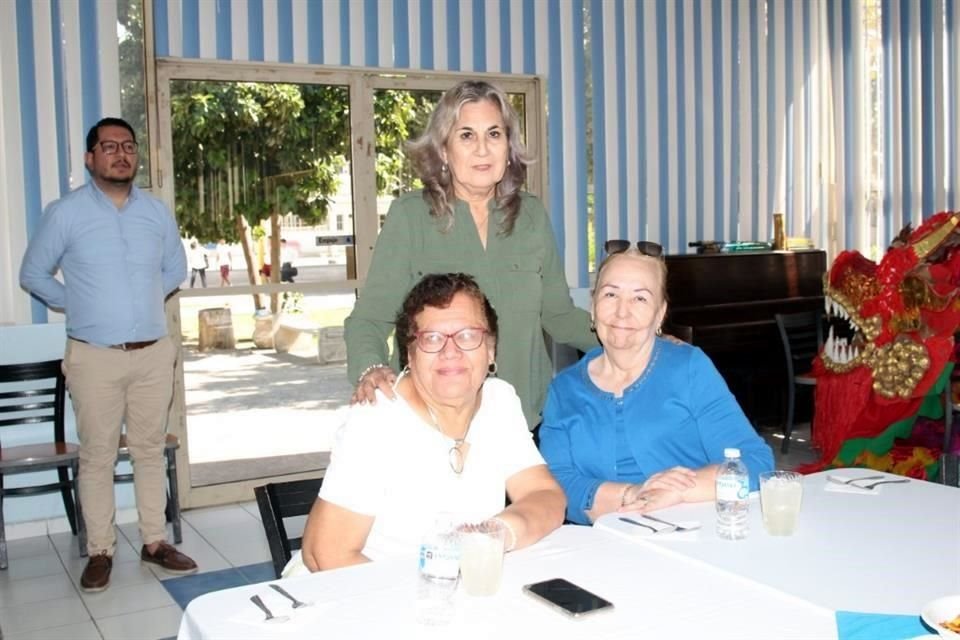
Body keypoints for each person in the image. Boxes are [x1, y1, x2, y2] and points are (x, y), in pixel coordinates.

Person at [346, 80, 596, 429]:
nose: (482, 149)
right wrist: (371, 367)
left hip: (522, 424)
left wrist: (636, 339)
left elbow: (559, 316)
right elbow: (369, 320)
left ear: (508, 146)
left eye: (494, 134)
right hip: (432, 425)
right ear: (444, 150)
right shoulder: (410, 216)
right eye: (466, 135)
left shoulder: (531, 216)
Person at [19, 117, 197, 591]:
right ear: (89, 158)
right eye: (109, 146)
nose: (122, 154)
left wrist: (137, 302)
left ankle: (155, 541)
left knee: (148, 451)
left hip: (153, 353)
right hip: (93, 355)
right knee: (97, 456)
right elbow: (33, 274)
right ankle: (100, 550)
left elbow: (175, 268)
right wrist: (78, 301)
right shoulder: (66, 213)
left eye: (129, 146)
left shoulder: (155, 212)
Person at [291, 273, 565, 573]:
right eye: (431, 338)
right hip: (369, 594)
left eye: (468, 335)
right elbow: (325, 555)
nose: (451, 351)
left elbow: (545, 496)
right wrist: (436, 592)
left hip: (461, 589)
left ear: (490, 349)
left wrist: (496, 533)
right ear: (410, 353)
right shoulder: (376, 420)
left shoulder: (499, 401)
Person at [538, 242, 774, 525]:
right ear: (592, 306)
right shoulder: (564, 389)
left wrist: (678, 493)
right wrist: (633, 494)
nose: (622, 312)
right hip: (600, 547)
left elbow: (755, 463)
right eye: (611, 294)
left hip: (690, 537)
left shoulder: (688, 368)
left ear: (660, 314)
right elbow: (555, 487)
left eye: (640, 298)